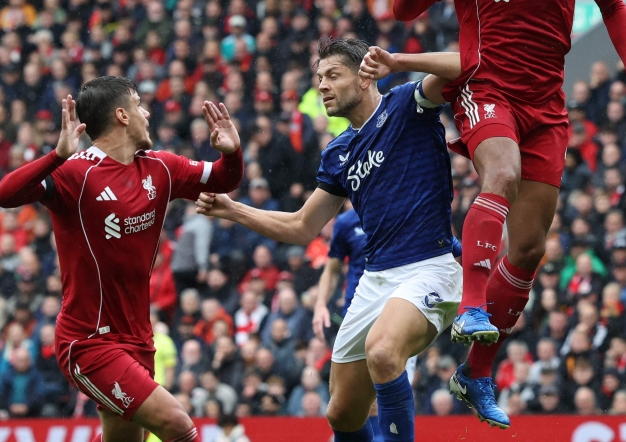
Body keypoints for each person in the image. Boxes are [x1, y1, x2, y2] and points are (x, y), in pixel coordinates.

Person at [378, 0, 626, 428]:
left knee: (530, 249)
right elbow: (402, 11)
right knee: (500, 175)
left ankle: (476, 372)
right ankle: (472, 306)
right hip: (485, 87)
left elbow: (611, 4)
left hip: (546, 106)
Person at [195, 38, 462, 442]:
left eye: (333, 75)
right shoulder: (339, 153)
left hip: (430, 267)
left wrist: (398, 61)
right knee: (340, 413)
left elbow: (468, 64)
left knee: (384, 352)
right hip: (376, 279)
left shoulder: (407, 104)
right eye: (319, 78)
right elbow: (302, 226)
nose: (322, 86)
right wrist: (234, 210)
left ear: (365, 76)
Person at [0, 78, 243, 442]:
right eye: (139, 104)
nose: (147, 112)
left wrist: (231, 151)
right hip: (88, 341)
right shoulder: (75, 172)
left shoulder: (161, 168)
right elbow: (4, 195)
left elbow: (223, 179)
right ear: (122, 115)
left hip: (139, 339)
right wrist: (56, 156)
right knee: (177, 424)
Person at [313, 207, 459, 440]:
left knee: (386, 380)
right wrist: (320, 303)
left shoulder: (404, 207)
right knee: (347, 404)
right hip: (357, 314)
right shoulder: (345, 223)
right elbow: (332, 268)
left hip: (400, 312)